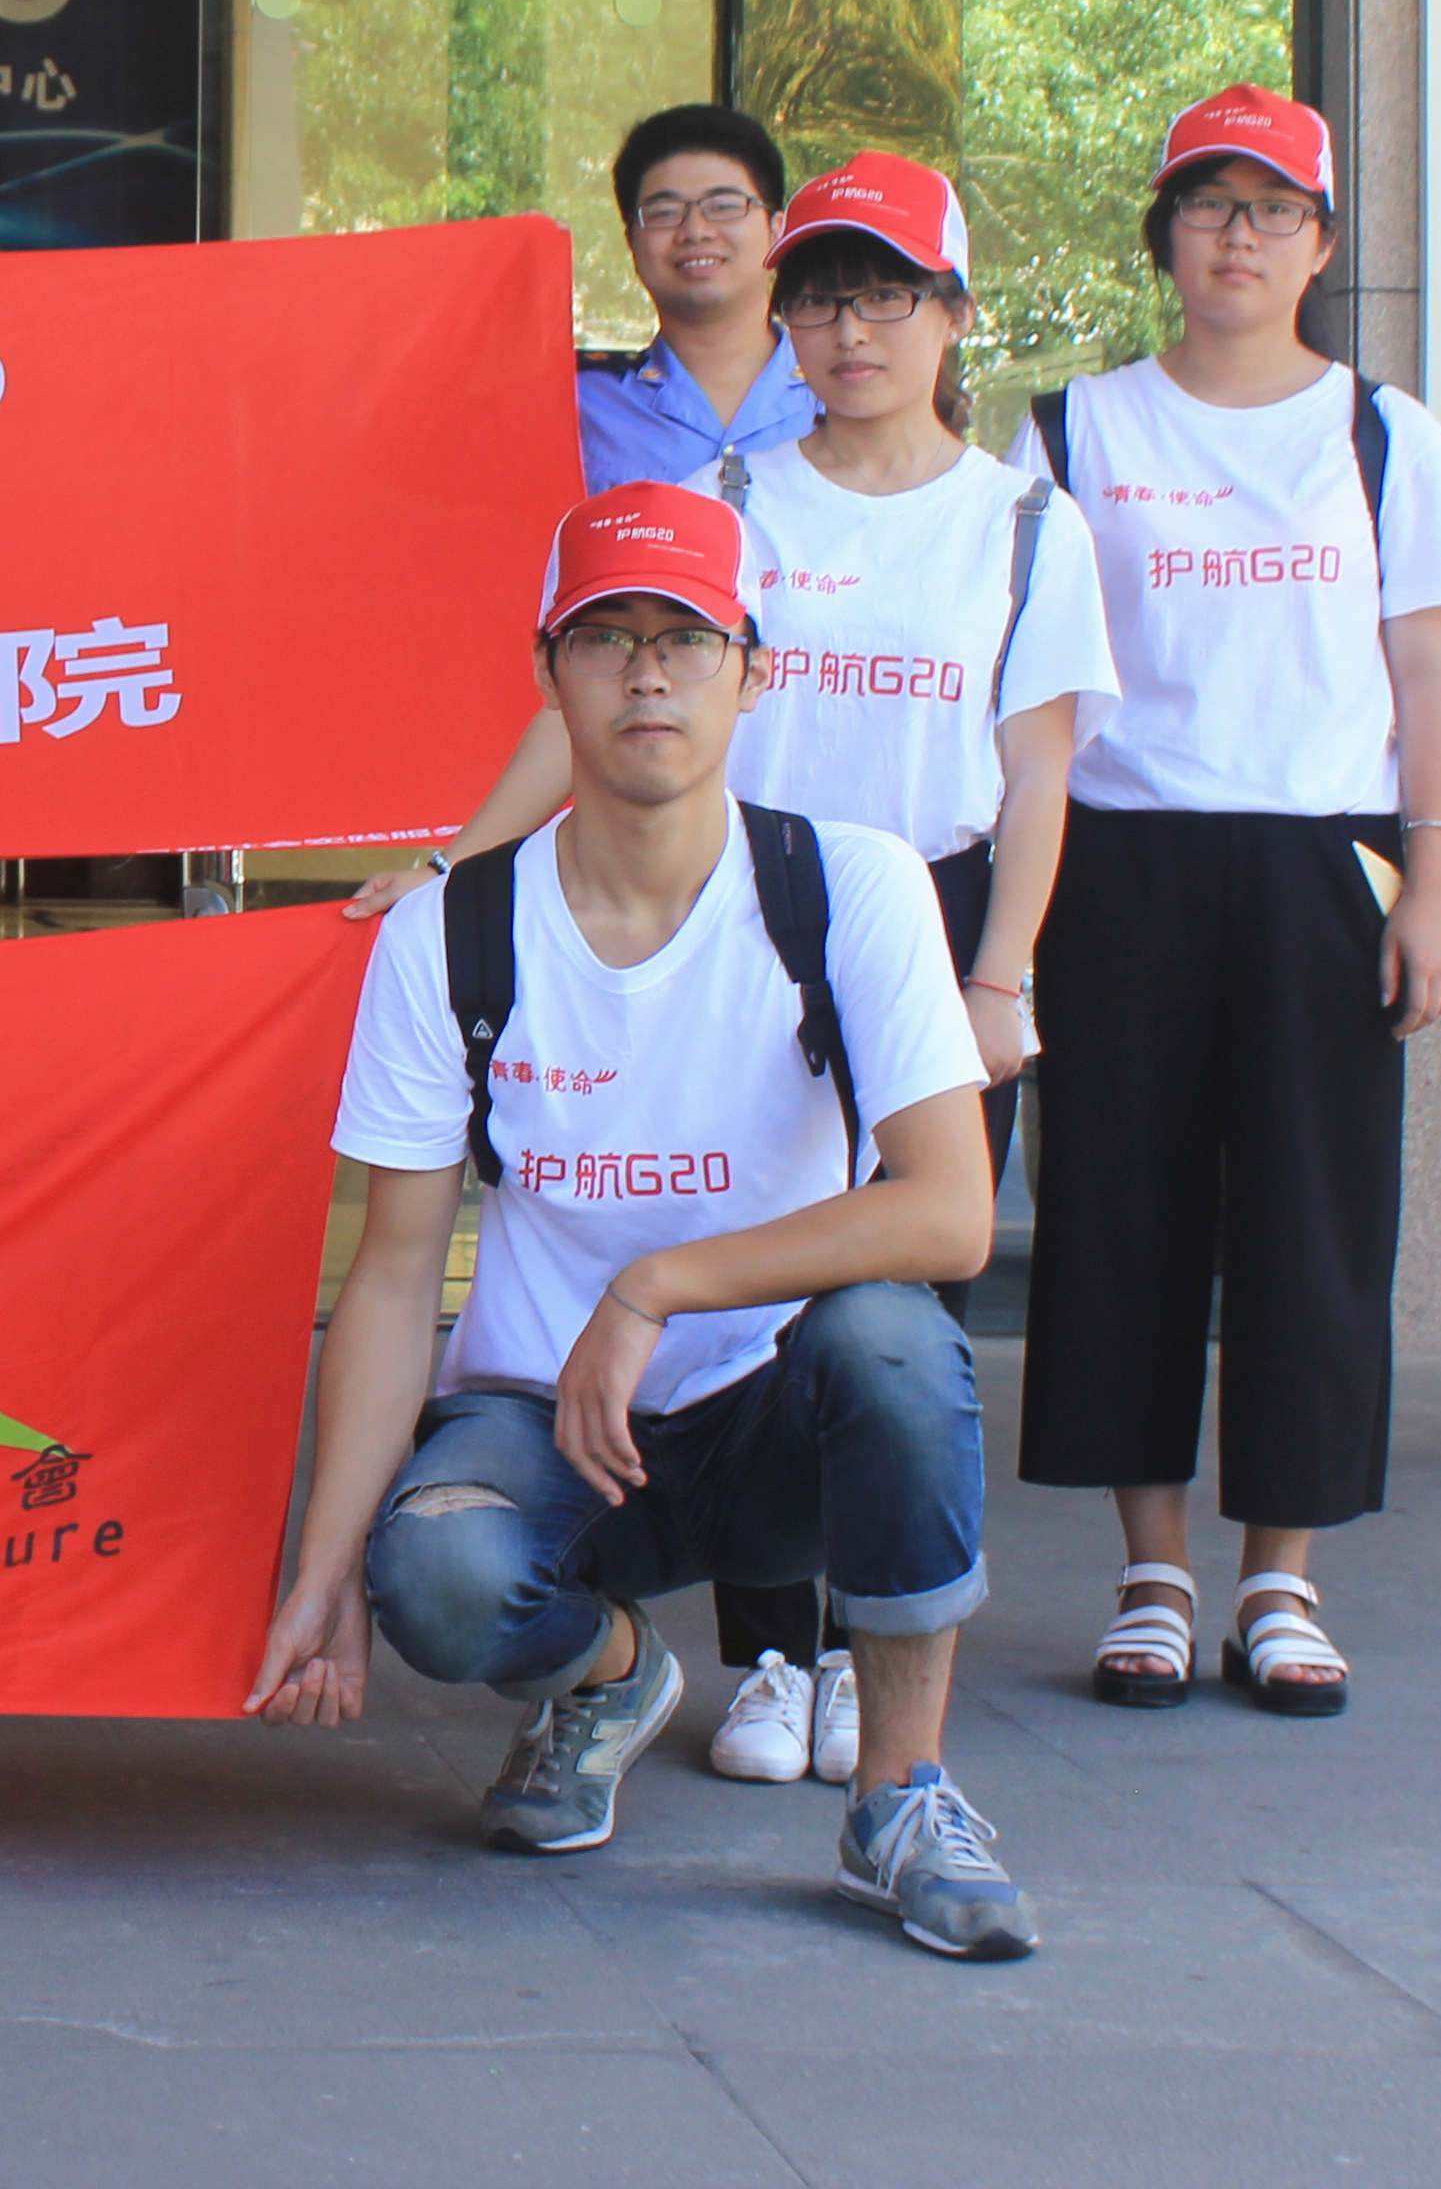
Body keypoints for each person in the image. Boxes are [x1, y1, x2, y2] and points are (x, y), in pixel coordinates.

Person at [256, 487, 1035, 1962]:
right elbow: (393, 1277)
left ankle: (901, 1799)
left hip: (776, 1414)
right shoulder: (450, 930)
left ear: (756, 671)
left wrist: (658, 1285)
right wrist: (324, 1568)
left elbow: (948, 1213)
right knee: (440, 1581)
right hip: (546, 1422)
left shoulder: (850, 887)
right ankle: (611, 1677)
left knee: (896, 1347)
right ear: (549, 673)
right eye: (606, 639)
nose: (648, 675)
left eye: (685, 640)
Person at [1011, 86, 1441, 1721]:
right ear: (1164, 237)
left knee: (1311, 1223)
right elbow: (1029, 689)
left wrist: (1432, 882)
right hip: (1119, 856)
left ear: (1320, 244)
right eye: (1208, 205)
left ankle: (1281, 1576)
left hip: (1318, 862)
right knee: (1117, 1215)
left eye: (1272, 209)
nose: (1237, 236)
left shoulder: (1385, 437)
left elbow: (1429, 672)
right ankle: (1150, 1572)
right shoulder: (1071, 433)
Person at [576, 104, 816, 495]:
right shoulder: (581, 406)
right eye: (664, 212)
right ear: (632, 242)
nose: (695, 231)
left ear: (777, 229)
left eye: (724, 207)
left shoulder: (840, 390)